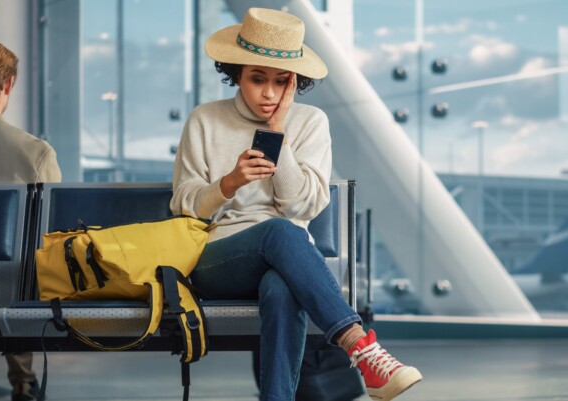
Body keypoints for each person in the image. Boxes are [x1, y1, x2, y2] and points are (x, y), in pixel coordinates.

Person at [170, 8, 422, 401]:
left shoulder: (311, 123)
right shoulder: (204, 120)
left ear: (295, 81)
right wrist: (229, 183)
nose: (269, 94)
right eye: (257, 79)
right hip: (216, 259)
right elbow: (184, 207)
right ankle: (361, 347)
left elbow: (301, 207)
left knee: (282, 286)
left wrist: (278, 136)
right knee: (280, 233)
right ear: (236, 72)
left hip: (286, 258)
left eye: (281, 81)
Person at [0, 40, 61, 401]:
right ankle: (23, 383)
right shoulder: (36, 153)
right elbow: (51, 233)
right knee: (23, 265)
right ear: (8, 84)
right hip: (8, 287)